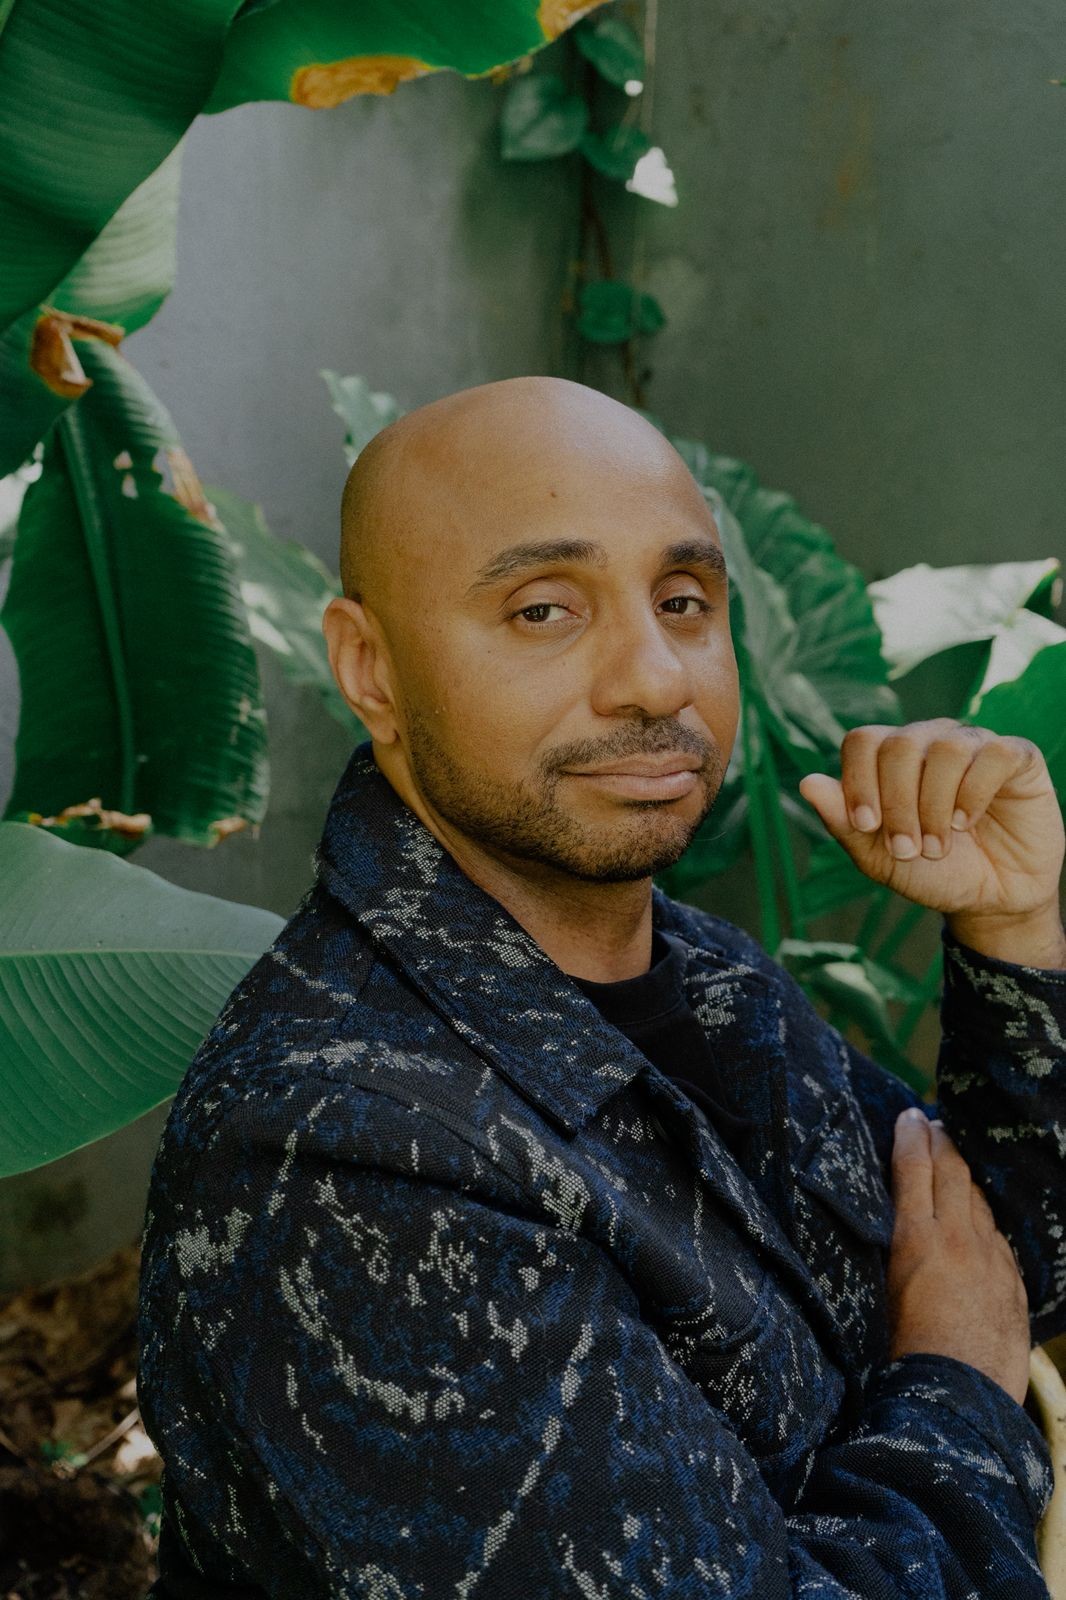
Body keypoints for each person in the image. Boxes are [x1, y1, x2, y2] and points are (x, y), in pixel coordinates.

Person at [137, 376, 1066, 1598]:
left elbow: (1000, 1271)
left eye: (682, 601)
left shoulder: (713, 981)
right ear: (369, 667)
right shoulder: (340, 1148)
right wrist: (954, 1384)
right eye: (541, 610)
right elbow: (968, 1333)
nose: (654, 678)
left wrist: (1010, 935)